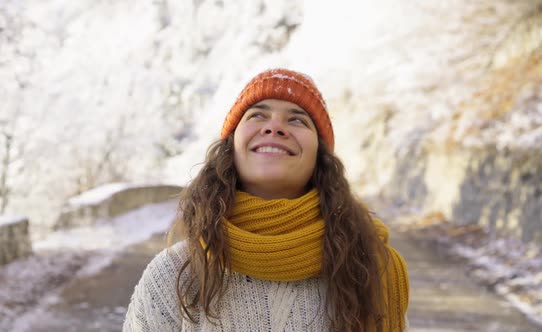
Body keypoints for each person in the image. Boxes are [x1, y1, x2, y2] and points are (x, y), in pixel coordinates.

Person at [123, 68, 409, 331]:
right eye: (257, 115)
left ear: (320, 158)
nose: (274, 128)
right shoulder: (174, 274)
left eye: (297, 119)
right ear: (231, 147)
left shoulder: (368, 268)